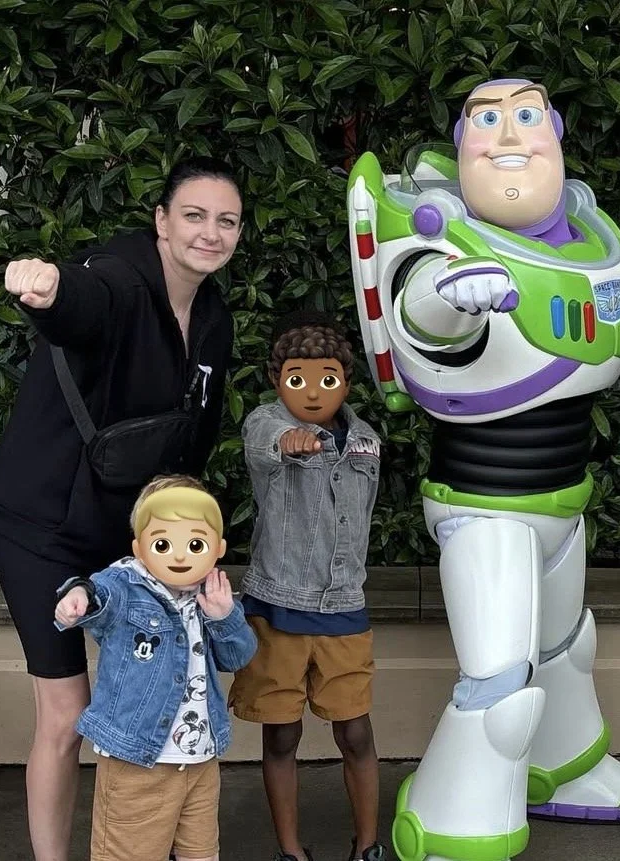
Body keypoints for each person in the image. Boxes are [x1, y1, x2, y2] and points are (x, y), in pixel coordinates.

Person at [344, 78, 620, 861]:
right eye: (487, 119)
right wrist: (453, 298)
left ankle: (563, 767)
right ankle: (449, 823)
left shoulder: (586, 235)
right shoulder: (441, 241)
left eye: (526, 115)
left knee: (566, 646)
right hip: (484, 507)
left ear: (556, 132)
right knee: (499, 679)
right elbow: (419, 317)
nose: (508, 132)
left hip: (562, 499)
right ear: (461, 143)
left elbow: (591, 318)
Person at [0, 155, 241, 861]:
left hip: (131, 531)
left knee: (154, 690)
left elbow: (193, 440)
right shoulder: (120, 277)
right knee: (65, 713)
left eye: (226, 221)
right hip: (41, 525)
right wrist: (48, 288)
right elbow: (83, 303)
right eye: (193, 215)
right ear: (161, 221)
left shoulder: (212, 318)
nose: (209, 233)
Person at [228, 312, 385, 861]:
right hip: (278, 610)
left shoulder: (365, 441)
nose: (313, 393)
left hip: (344, 609)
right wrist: (292, 442)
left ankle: (368, 846)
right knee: (281, 735)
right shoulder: (265, 424)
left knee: (356, 733)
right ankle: (290, 851)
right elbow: (268, 444)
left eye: (328, 378)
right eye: (297, 379)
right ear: (278, 379)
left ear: (346, 380)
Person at [54, 475, 257, 861]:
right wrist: (77, 596)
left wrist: (224, 617)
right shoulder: (126, 584)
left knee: (201, 854)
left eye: (194, 544)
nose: (179, 556)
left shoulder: (211, 591)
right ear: (140, 548)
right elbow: (98, 593)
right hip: (137, 764)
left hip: (200, 762)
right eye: (163, 544)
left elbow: (238, 657)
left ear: (217, 548)